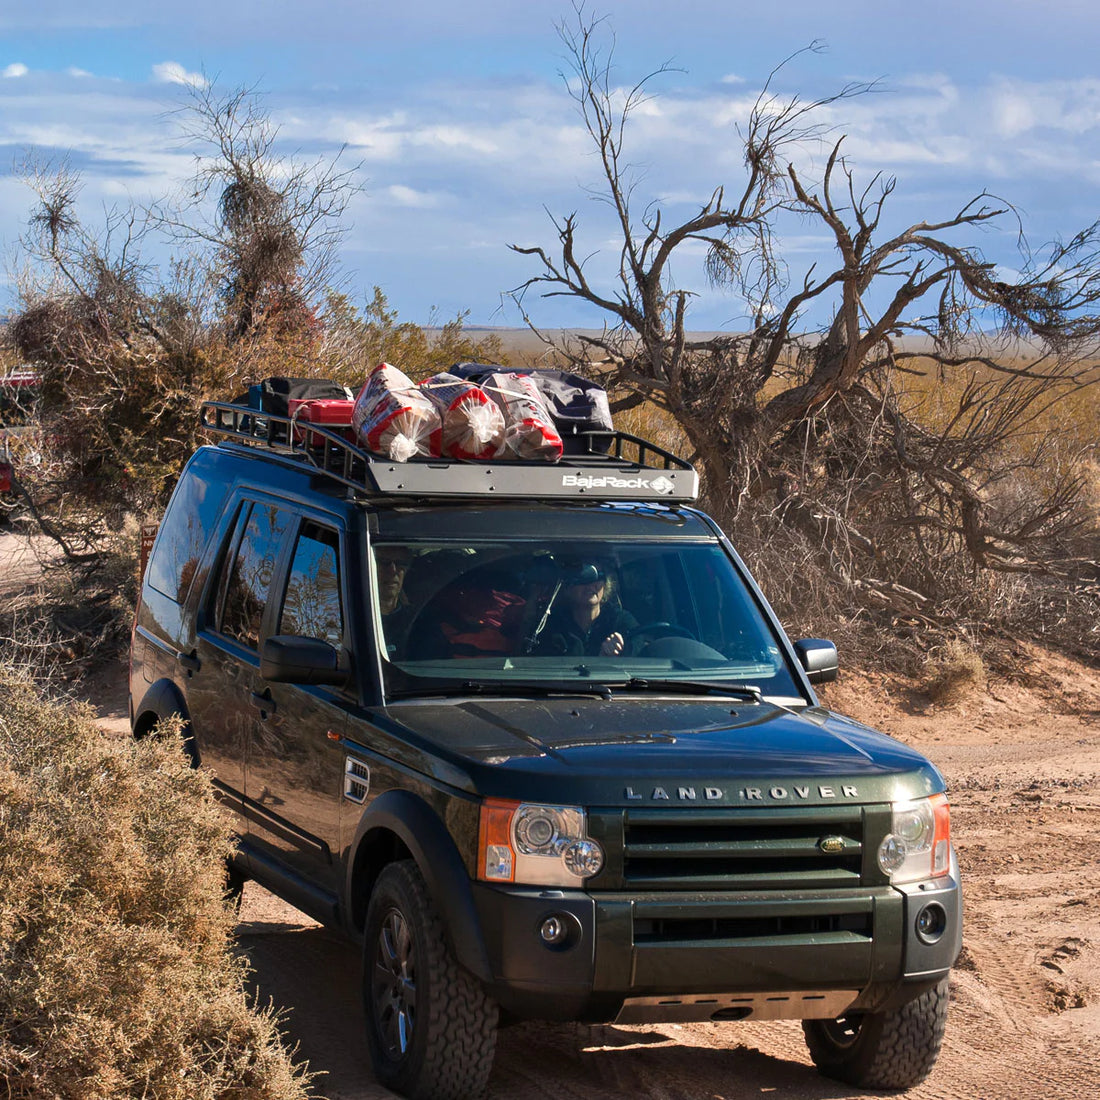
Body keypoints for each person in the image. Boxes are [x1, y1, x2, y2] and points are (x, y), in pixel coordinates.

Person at [537, 561, 637, 657]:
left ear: (605, 584)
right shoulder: (552, 625)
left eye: (599, 576)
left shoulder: (621, 621)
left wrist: (622, 651)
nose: (591, 584)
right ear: (568, 585)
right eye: (583, 577)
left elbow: (642, 654)